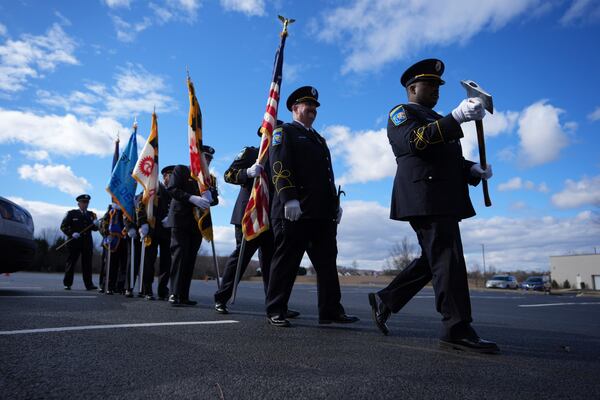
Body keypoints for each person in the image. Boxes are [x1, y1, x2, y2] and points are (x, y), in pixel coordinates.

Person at [367, 58, 498, 354]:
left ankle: (386, 300)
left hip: (441, 195)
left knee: (435, 259)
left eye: (439, 85)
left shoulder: (438, 117)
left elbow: (445, 159)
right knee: (447, 258)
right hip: (424, 195)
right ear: (412, 88)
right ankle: (456, 328)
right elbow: (416, 143)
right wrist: (456, 118)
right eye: (430, 84)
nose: (437, 89)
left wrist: (471, 170)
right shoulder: (402, 113)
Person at [265, 86, 359, 327]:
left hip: (321, 213)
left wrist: (334, 205)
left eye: (315, 107)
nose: (313, 110)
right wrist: (288, 197)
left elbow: (326, 176)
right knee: (287, 262)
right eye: (308, 106)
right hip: (295, 211)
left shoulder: (318, 139)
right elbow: (279, 165)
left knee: (327, 263)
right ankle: (276, 308)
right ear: (295, 108)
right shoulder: (283, 132)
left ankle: (330, 311)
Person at [213, 124, 300, 318]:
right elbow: (228, 175)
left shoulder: (283, 156)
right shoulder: (251, 152)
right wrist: (247, 173)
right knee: (241, 259)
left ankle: (275, 305)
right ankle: (221, 297)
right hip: (250, 214)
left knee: (272, 264)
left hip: (272, 216)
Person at [164, 146, 219, 307]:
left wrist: (210, 197)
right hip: (181, 220)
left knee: (190, 259)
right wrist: (191, 198)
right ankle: (174, 293)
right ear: (197, 158)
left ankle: (184, 295)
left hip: (198, 223)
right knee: (179, 256)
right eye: (205, 158)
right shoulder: (181, 170)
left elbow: (214, 200)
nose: (207, 161)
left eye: (209, 159)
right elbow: (172, 189)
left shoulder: (210, 179)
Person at [137, 165, 174, 300]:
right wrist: (142, 223)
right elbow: (141, 205)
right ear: (164, 176)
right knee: (149, 261)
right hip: (152, 230)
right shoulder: (154, 187)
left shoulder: (175, 191)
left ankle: (163, 290)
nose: (173, 178)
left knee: (166, 263)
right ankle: (147, 289)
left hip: (168, 232)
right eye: (170, 175)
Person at [60, 194, 99, 290]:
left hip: (87, 243)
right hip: (74, 242)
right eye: (83, 202)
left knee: (87, 264)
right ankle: (67, 283)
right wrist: (71, 233)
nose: (85, 204)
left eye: (87, 202)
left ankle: (89, 285)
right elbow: (63, 226)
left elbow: (95, 229)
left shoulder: (92, 215)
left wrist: (97, 224)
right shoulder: (71, 214)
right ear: (79, 203)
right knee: (71, 263)